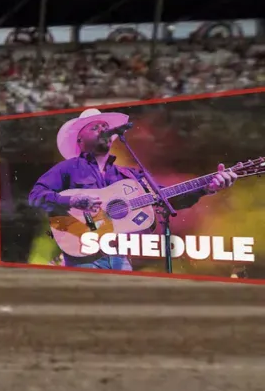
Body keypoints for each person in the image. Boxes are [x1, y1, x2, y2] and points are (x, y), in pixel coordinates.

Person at [27, 108, 236, 270]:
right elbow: (36, 196)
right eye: (94, 127)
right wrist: (71, 201)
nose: (102, 130)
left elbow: (164, 198)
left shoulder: (129, 175)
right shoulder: (67, 169)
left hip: (120, 256)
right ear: (79, 140)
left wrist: (205, 188)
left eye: (104, 127)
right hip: (81, 254)